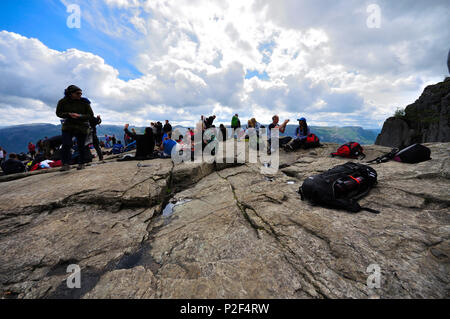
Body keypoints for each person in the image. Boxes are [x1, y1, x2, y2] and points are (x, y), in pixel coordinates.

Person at [56, 85, 94, 171]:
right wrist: (68, 114)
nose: (80, 95)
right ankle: (65, 164)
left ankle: (81, 163)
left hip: (81, 127)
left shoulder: (84, 103)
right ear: (70, 93)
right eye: (77, 93)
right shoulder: (62, 102)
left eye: (81, 93)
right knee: (66, 144)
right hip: (68, 126)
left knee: (81, 146)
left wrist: (79, 116)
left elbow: (90, 115)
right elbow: (58, 113)